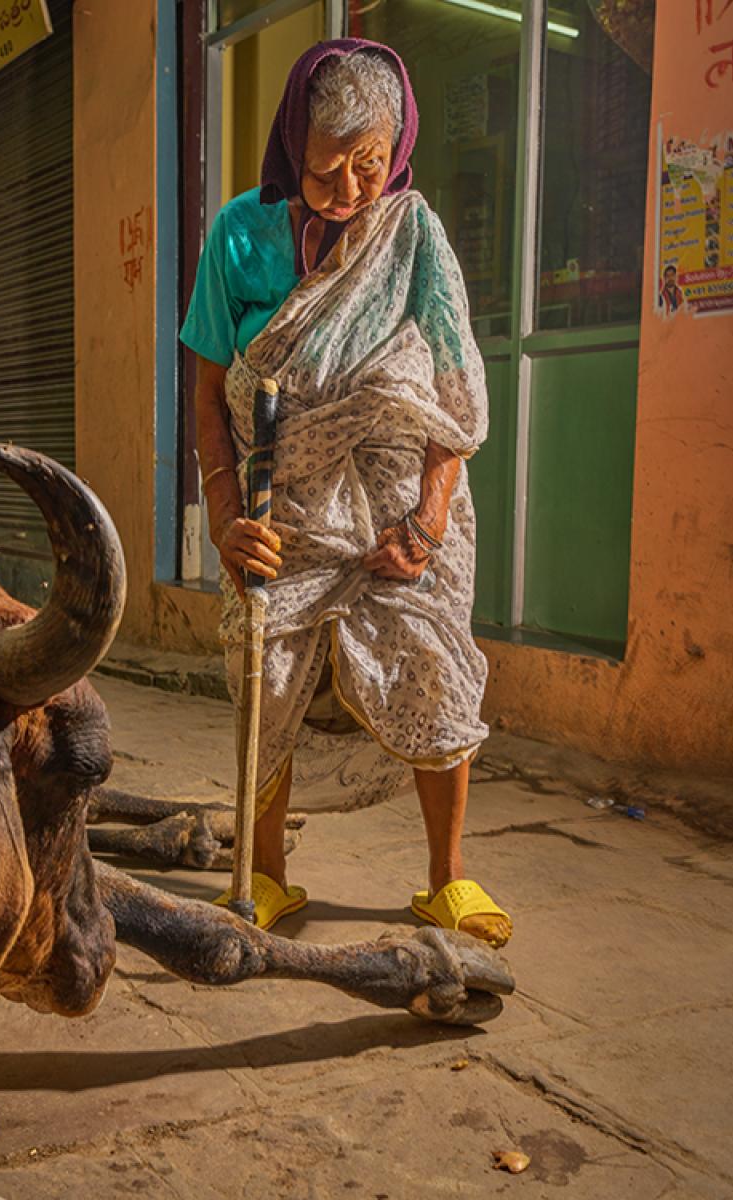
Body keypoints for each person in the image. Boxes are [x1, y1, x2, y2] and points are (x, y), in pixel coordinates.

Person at [180, 40, 509, 948]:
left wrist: (432, 517)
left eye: (372, 165)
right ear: (295, 140)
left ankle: (447, 880)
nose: (353, 190)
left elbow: (453, 388)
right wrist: (222, 514)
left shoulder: (414, 234)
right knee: (266, 668)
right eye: (330, 168)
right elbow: (210, 390)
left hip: (401, 505)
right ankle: (266, 875)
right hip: (277, 506)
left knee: (432, 663)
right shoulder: (237, 236)